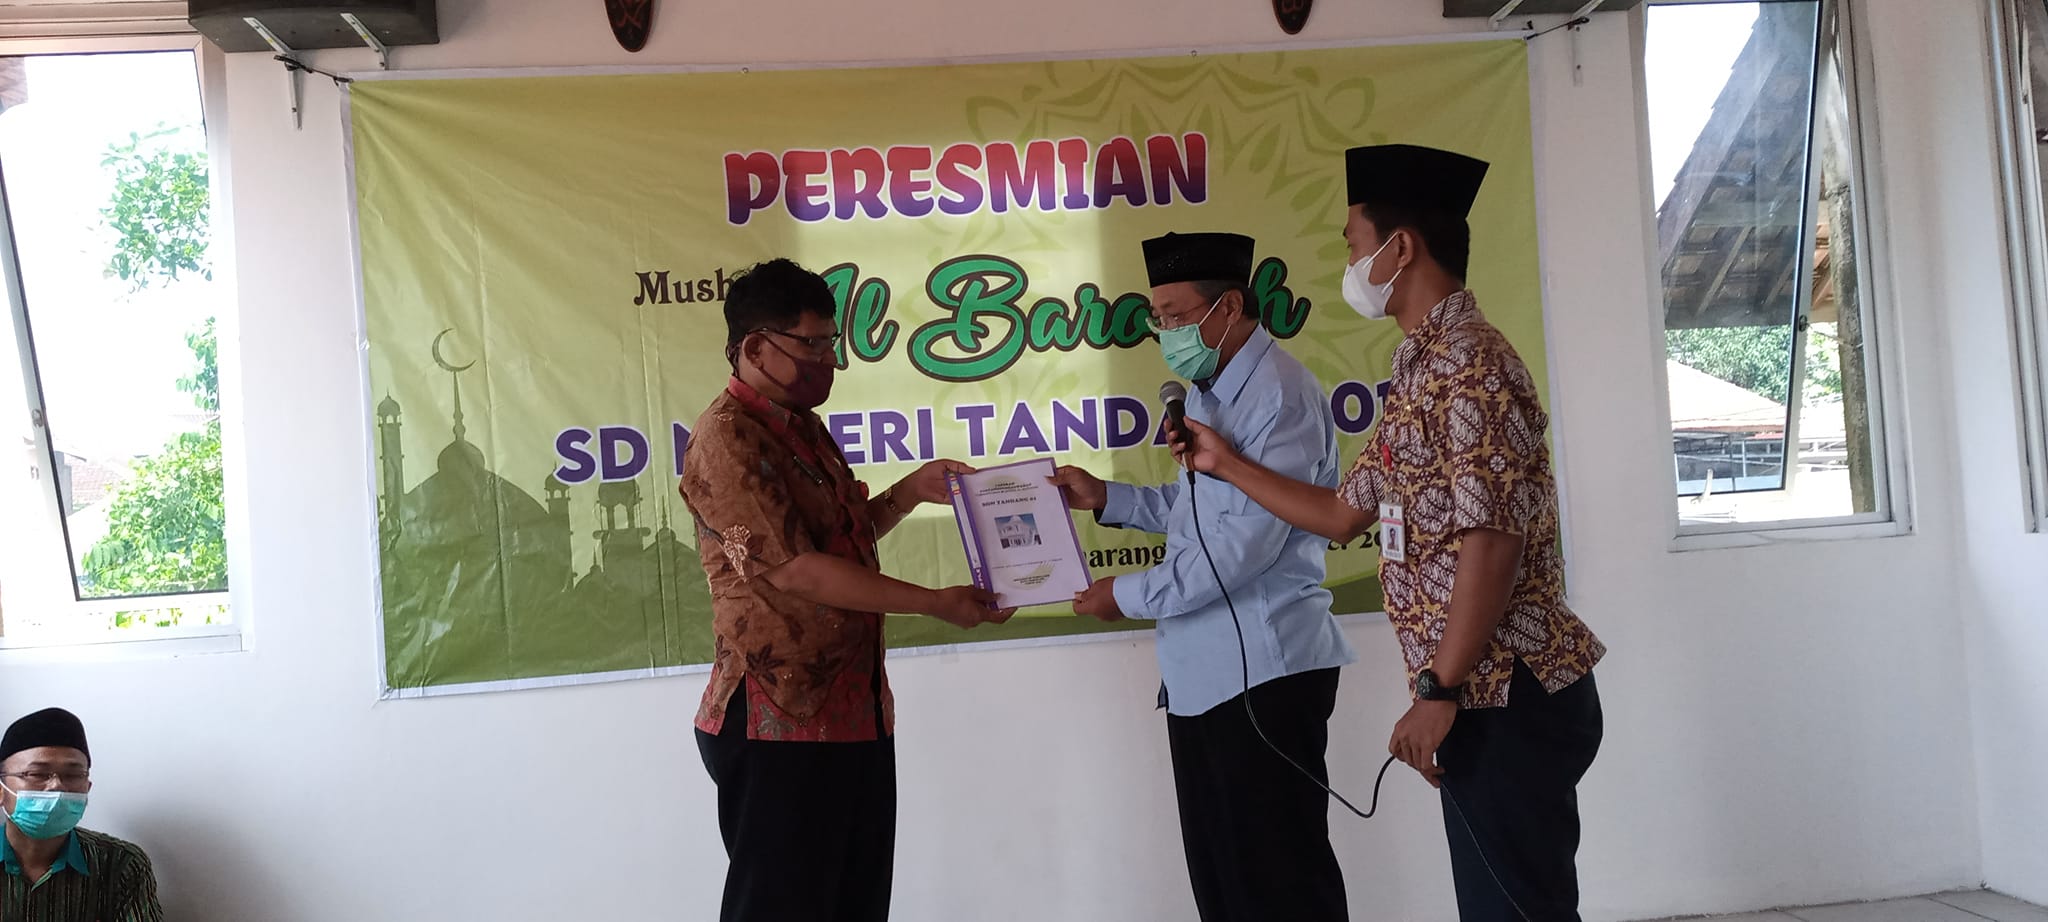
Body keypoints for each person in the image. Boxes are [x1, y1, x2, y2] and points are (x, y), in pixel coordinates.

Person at [1174, 144, 1607, 920]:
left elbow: (1492, 540)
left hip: (1509, 690)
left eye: (1353, 244)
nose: (1350, 263)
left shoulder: (1470, 365)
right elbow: (1345, 513)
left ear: (1399, 248)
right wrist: (1225, 463)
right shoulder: (1420, 368)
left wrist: (1440, 688)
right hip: (1478, 692)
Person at [679, 257, 1011, 922]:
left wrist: (909, 492)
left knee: (854, 905)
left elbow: (843, 542)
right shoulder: (726, 437)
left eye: (830, 343)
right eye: (812, 344)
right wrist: (935, 602)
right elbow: (797, 569)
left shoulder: (802, 426)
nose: (827, 360)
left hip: (853, 711)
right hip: (779, 718)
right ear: (755, 349)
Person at [1051, 232, 1357, 922]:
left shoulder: (1279, 396)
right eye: (1156, 317)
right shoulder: (1208, 390)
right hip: (1203, 675)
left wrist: (1125, 594)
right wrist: (1107, 498)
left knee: (1280, 888)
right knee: (1224, 886)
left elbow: (1241, 548)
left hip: (1263, 672)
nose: (1165, 332)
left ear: (1230, 307)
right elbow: (1196, 511)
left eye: (1176, 316)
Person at [1, 707, 162, 922]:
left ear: (87, 787)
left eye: (73, 774)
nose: (57, 785)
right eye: (37, 774)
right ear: (1, 790)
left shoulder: (121, 865)